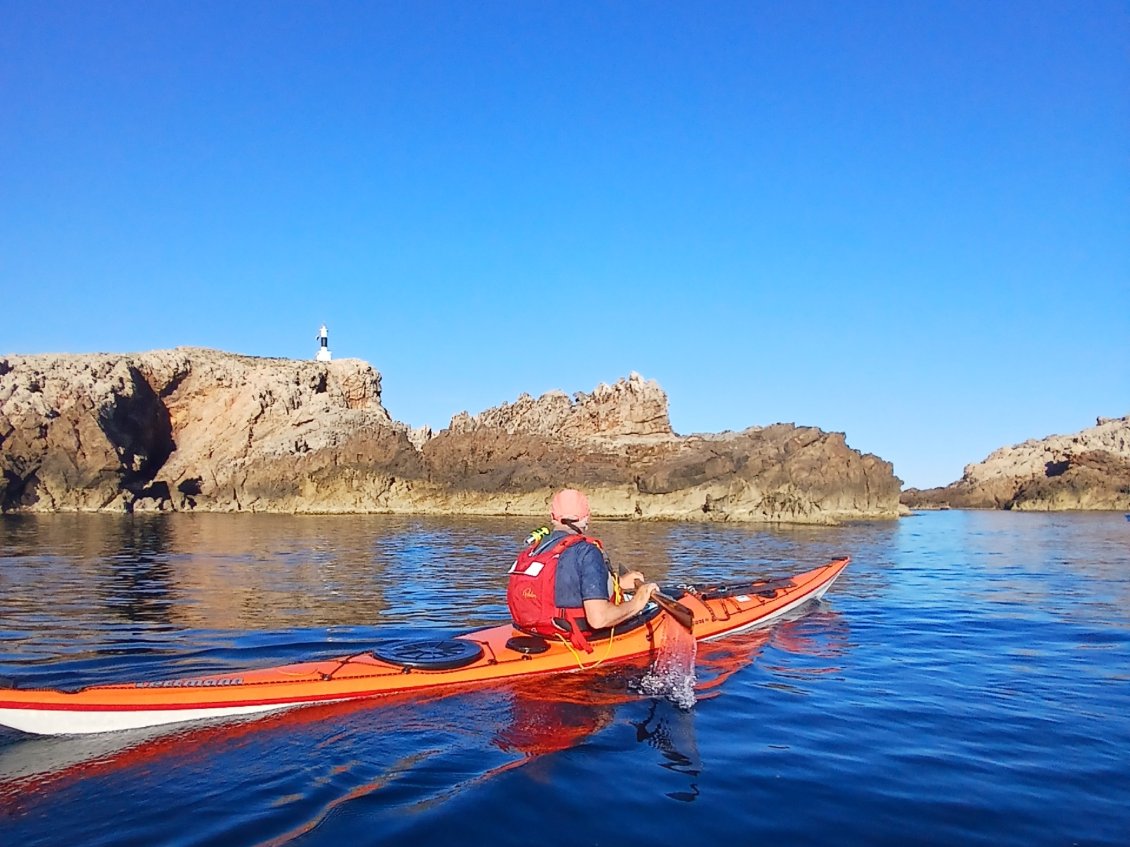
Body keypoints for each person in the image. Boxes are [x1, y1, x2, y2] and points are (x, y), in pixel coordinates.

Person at [507, 488, 659, 652]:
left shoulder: (537, 548)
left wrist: (617, 583)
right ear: (587, 518)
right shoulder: (587, 551)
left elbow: (563, 583)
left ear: (552, 517)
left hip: (531, 631)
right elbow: (599, 619)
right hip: (568, 637)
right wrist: (638, 602)